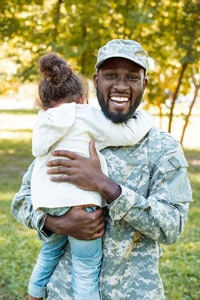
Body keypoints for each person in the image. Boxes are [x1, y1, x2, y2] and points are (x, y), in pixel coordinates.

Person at [11, 39, 192, 300]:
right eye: (110, 75)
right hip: (64, 292)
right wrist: (56, 223)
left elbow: (171, 227)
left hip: (135, 293)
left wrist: (106, 186)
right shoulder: (72, 129)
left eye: (132, 77)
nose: (120, 85)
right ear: (96, 81)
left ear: (145, 84)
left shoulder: (163, 148)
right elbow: (21, 202)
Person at [25, 52, 153, 300]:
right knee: (85, 269)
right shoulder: (85, 114)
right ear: (83, 97)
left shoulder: (42, 123)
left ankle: (33, 295)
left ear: (44, 102)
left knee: (47, 254)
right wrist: (145, 117)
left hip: (49, 207)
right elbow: (127, 135)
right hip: (83, 207)